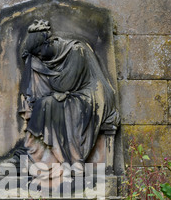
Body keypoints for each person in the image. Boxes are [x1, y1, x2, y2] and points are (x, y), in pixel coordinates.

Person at [9, 20, 119, 178]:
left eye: (39, 52)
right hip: (72, 96)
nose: (40, 57)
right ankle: (34, 152)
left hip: (90, 97)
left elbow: (65, 84)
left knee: (47, 104)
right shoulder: (48, 58)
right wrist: (32, 63)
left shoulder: (76, 50)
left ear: (49, 42)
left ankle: (62, 160)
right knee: (45, 103)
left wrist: (42, 68)